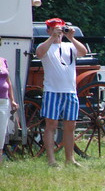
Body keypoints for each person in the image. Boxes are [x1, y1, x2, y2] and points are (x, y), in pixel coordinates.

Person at [35, 18, 88, 167]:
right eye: (54, 29)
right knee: (51, 125)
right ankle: (51, 160)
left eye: (60, 29)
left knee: (70, 126)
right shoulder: (45, 45)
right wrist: (52, 38)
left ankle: (69, 159)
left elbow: (84, 52)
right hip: (52, 91)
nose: (58, 32)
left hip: (70, 91)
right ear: (48, 30)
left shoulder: (69, 46)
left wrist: (71, 37)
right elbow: (39, 53)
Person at [0, 44, 19, 164]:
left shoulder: (3, 60)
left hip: (4, 101)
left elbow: (9, 82)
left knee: (1, 132)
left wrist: (12, 100)